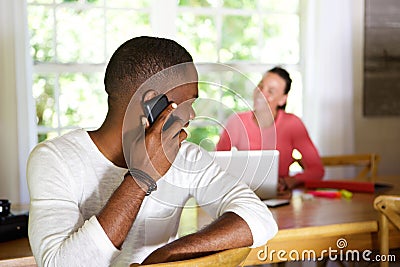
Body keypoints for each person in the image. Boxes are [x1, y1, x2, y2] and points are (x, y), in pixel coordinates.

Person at [27, 36, 277, 267]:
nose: (192, 115)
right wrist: (140, 178)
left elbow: (259, 219)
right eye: (188, 102)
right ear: (151, 102)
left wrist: (162, 258)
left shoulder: (186, 156)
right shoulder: (54, 159)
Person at [216, 67, 324, 191]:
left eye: (271, 91)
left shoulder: (292, 124)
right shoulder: (236, 121)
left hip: (280, 197)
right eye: (260, 86)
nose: (261, 93)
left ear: (283, 99)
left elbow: (317, 170)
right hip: (244, 195)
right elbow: (216, 164)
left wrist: (291, 181)